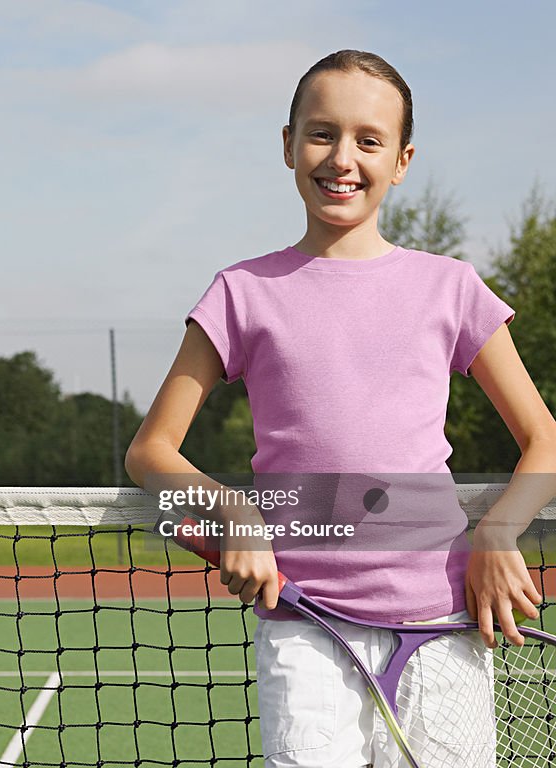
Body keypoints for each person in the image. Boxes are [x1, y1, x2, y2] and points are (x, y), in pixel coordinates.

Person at [124, 49, 556, 767]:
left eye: (369, 139)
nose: (342, 158)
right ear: (288, 145)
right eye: (321, 133)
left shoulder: (451, 287)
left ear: (403, 160)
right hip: (305, 623)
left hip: (445, 622)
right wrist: (233, 511)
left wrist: (499, 531)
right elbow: (151, 451)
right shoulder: (240, 292)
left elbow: (545, 438)